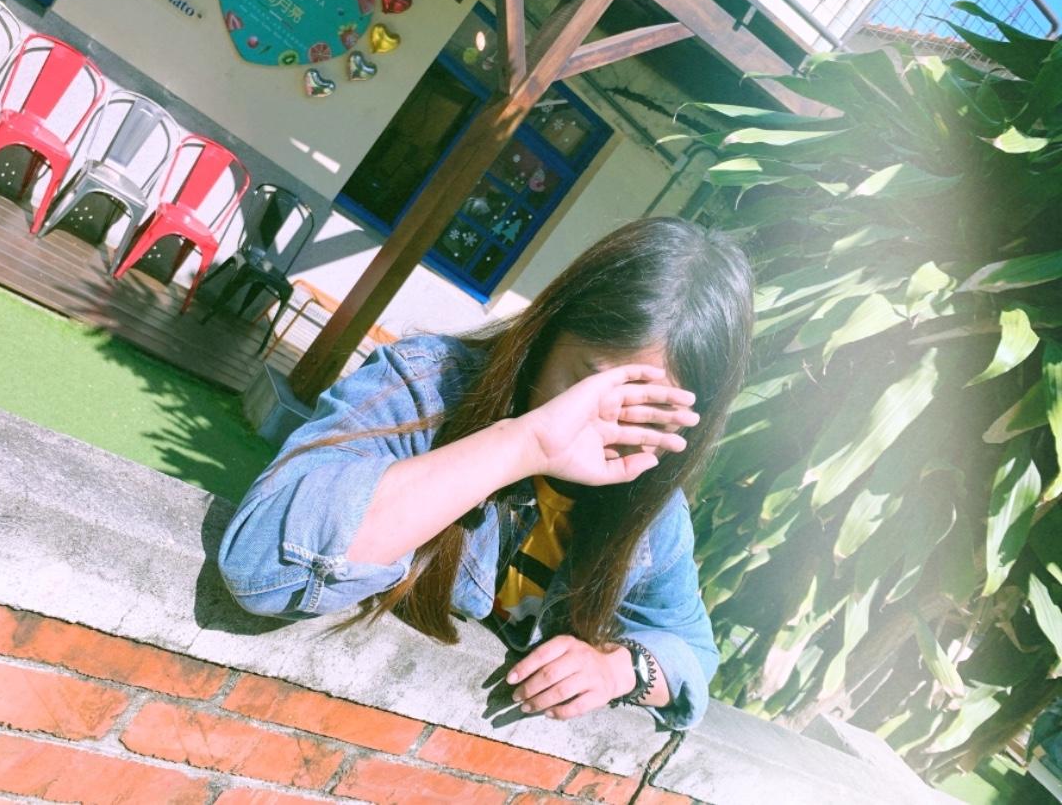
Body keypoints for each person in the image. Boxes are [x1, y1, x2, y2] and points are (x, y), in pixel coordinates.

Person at [218, 216, 754, 729]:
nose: (603, 424)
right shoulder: (428, 386)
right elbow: (260, 566)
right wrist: (523, 444)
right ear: (551, 329)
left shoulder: (651, 507)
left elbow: (691, 649)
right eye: (588, 384)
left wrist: (620, 670)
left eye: (647, 413)